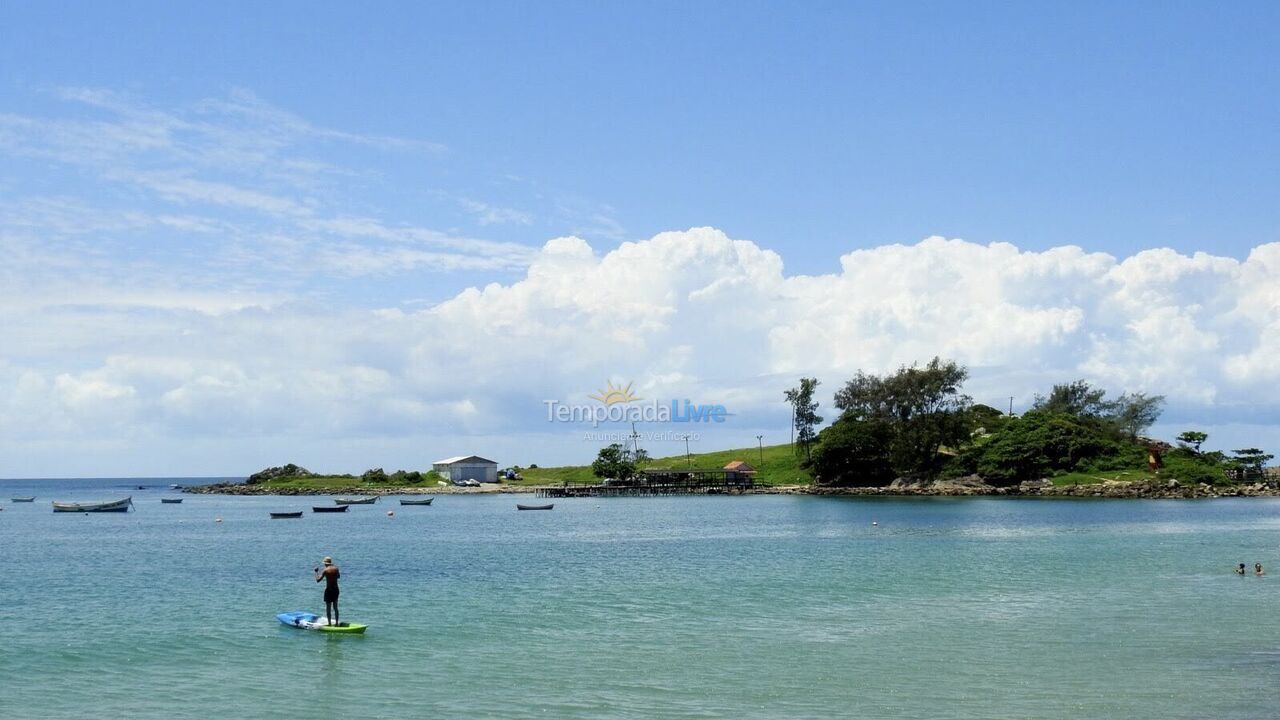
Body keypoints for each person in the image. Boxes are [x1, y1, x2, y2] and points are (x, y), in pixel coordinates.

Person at [314, 556, 341, 626]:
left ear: (325, 563)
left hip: (329, 590)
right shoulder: (336, 569)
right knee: (335, 607)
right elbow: (338, 576)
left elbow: (318, 580)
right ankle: (337, 623)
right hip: (336, 590)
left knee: (328, 608)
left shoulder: (325, 570)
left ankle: (329, 624)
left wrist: (316, 572)